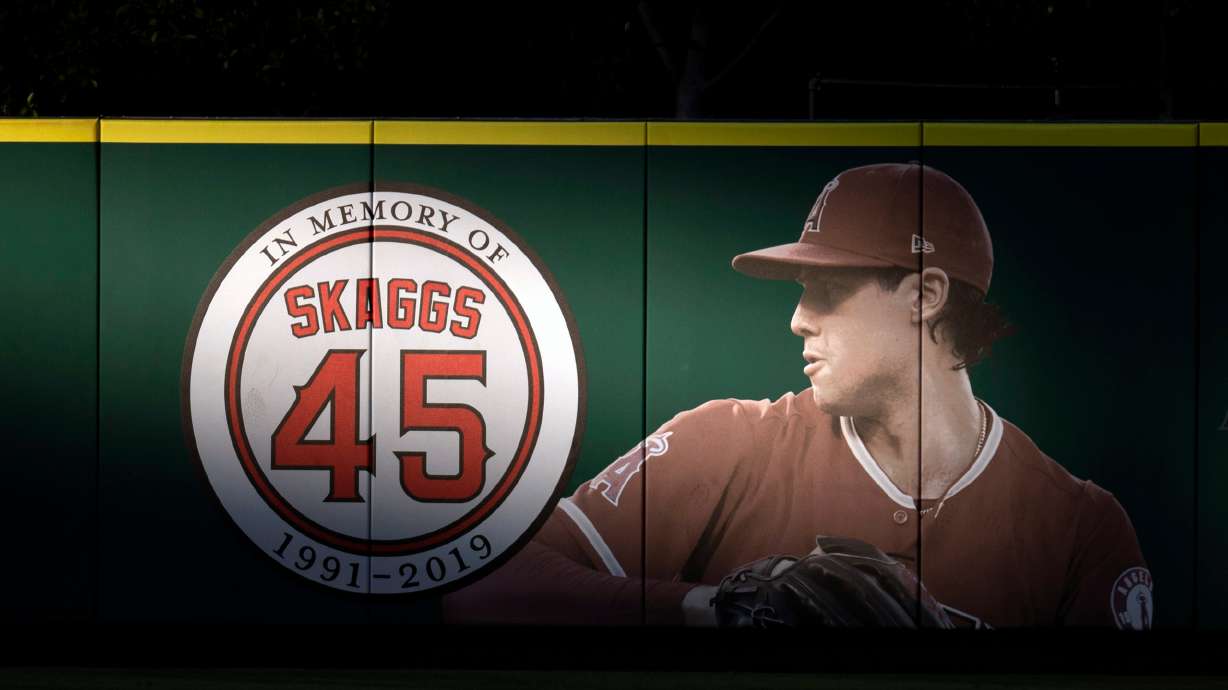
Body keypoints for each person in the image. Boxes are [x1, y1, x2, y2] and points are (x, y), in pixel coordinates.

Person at [443, 162, 1151, 629]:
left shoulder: (1080, 528)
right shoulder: (728, 443)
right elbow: (483, 589)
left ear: (925, 296)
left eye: (830, 290)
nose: (798, 318)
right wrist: (713, 608)